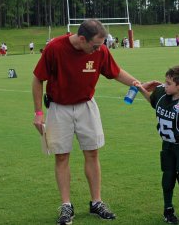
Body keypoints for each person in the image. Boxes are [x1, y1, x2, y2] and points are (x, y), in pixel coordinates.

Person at [32, 19, 146, 225]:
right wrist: (38, 112)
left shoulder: (100, 51)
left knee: (92, 152)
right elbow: (38, 78)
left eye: (100, 45)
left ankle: (96, 202)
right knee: (61, 156)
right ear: (82, 39)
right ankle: (66, 206)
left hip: (86, 106)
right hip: (59, 108)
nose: (98, 50)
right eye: (94, 46)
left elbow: (116, 72)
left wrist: (138, 84)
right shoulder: (55, 48)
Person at [136, 65, 179, 224]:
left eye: (168, 83)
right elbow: (153, 102)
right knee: (167, 177)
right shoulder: (162, 95)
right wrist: (141, 89)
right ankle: (168, 209)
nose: (164, 85)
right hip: (167, 146)